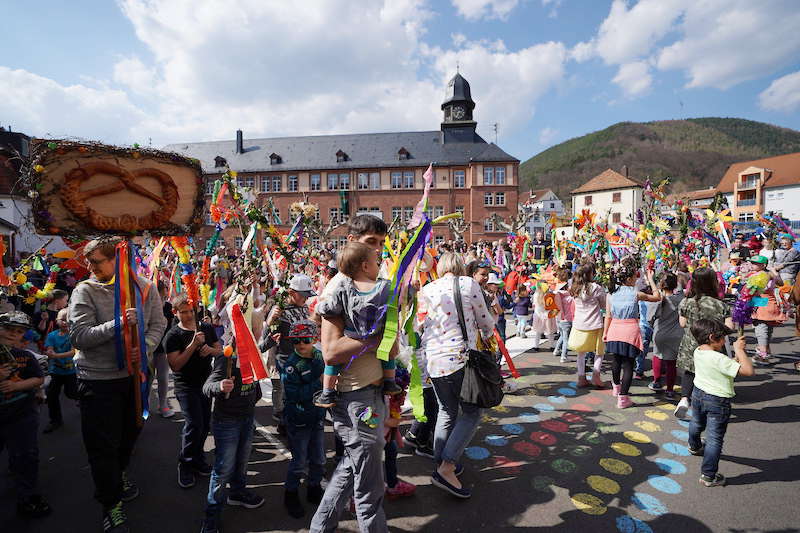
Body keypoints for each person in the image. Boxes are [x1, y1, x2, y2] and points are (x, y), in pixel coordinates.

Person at [69, 237, 166, 533]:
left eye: (96, 261)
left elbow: (158, 325)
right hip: (97, 380)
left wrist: (144, 347)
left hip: (133, 378)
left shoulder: (145, 288)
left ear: (117, 260)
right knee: (102, 446)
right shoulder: (84, 290)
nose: (90, 267)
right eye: (89, 261)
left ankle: (118, 472)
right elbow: (79, 337)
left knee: (131, 432)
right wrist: (119, 323)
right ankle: (110, 504)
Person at [310, 214, 391, 533]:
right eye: (371, 243)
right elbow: (330, 351)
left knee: (352, 466)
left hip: (373, 393)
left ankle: (320, 528)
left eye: (381, 244)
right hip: (355, 398)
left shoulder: (372, 282)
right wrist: (374, 339)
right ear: (352, 242)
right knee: (370, 486)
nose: (378, 251)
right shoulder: (339, 286)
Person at [417, 253, 495, 498]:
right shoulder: (467, 284)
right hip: (459, 357)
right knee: (472, 412)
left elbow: (420, 325)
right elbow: (486, 321)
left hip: (433, 359)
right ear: (461, 267)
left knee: (446, 411)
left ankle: (440, 461)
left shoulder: (427, 289)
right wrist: (488, 331)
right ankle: (447, 466)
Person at [314, 243, 400, 409]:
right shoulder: (384, 287)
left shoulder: (343, 288)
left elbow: (331, 308)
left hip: (352, 334)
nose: (379, 267)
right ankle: (390, 382)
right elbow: (400, 299)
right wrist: (411, 291)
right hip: (377, 333)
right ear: (365, 266)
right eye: (377, 263)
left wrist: (318, 307)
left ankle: (327, 392)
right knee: (388, 355)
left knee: (332, 365)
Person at [199, 321, 265, 533]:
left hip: (247, 419)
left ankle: (237, 493)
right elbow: (206, 387)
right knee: (222, 468)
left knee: (242, 461)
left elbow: (256, 391)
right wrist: (219, 386)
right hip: (226, 422)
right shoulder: (226, 358)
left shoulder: (253, 358)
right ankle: (212, 514)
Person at [165, 293, 222, 489]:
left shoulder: (205, 327)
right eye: (184, 312)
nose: (189, 315)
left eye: (191, 311)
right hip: (186, 386)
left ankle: (198, 459)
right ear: (175, 313)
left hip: (206, 383)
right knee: (194, 424)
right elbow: (176, 365)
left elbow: (220, 349)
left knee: (205, 424)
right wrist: (193, 345)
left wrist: (209, 350)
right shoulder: (173, 336)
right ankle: (186, 463)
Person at [687, 319, 754, 487]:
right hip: (717, 400)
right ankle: (708, 475)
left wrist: (737, 357)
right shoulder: (719, 358)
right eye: (723, 337)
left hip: (698, 393)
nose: (725, 341)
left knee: (696, 422)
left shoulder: (698, 351)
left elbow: (730, 368)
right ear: (711, 337)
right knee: (714, 439)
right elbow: (748, 371)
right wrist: (740, 351)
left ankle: (694, 446)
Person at [0, 311, 51, 517]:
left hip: (22, 414)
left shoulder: (25, 356)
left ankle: (28, 497)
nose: (13, 335)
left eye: (19, 332)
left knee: (26, 455)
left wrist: (18, 384)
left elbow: (38, 379)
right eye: (8, 329)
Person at [280, 321, 326, 519]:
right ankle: (290, 494)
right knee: (298, 462)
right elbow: (294, 395)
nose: (300, 344)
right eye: (296, 341)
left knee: (319, 459)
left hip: (317, 417)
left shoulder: (319, 356)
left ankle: (313, 488)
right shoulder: (290, 365)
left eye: (305, 340)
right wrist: (319, 383)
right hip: (298, 420)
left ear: (314, 339)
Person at [675, 267, 732, 420]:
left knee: (689, 372)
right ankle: (705, 405)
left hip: (691, 344)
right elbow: (729, 327)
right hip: (712, 345)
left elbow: (682, 323)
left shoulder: (686, 302)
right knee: (709, 375)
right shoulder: (721, 305)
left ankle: (684, 399)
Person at [604, 261, 661, 408]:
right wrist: (651, 281)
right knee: (629, 365)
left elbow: (608, 316)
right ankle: (623, 398)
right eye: (635, 276)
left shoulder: (611, 293)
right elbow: (657, 297)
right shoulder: (636, 294)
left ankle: (616, 388)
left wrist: (605, 333)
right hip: (630, 330)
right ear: (629, 279)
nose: (637, 278)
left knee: (616, 361)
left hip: (614, 329)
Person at [265, 273, 315, 434]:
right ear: (292, 292)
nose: (306, 299)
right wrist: (270, 321)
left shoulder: (305, 307)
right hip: (285, 359)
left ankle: (290, 423)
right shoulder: (280, 309)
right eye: (304, 295)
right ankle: (286, 423)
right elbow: (266, 336)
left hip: (303, 357)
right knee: (288, 393)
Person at [567, 263, 607, 388]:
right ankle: (596, 376)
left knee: (581, 352)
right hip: (595, 323)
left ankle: (581, 377)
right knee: (599, 352)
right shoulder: (595, 288)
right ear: (590, 274)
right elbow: (604, 305)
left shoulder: (573, 287)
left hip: (579, 324)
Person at [649, 274, 684, 399]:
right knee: (671, 363)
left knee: (657, 356)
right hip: (676, 334)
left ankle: (656, 382)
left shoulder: (658, 299)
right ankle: (669, 390)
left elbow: (649, 318)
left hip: (660, 333)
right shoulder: (681, 299)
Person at [43, 308, 78, 433]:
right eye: (62, 320)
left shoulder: (74, 334)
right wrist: (50, 352)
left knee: (71, 393)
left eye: (68, 320)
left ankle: (83, 399)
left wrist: (56, 356)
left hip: (71, 372)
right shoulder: (52, 335)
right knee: (52, 395)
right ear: (56, 320)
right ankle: (55, 420)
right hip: (55, 371)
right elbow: (49, 347)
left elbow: (74, 351)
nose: (65, 322)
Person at [748, 255, 785, 364]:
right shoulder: (766, 274)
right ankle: (766, 350)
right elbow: (780, 283)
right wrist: (774, 272)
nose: (752, 265)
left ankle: (763, 354)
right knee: (767, 328)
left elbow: (756, 290)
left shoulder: (762, 275)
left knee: (761, 328)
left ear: (763, 265)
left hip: (763, 302)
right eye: (752, 262)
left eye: (755, 263)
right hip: (769, 302)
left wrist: (773, 273)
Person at [152, 280, 174, 418]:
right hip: (148, 347)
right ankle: (144, 405)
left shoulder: (168, 307)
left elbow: (170, 328)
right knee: (147, 378)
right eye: (160, 297)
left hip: (162, 347)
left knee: (163, 377)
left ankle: (163, 404)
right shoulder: (146, 306)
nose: (163, 300)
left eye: (164, 297)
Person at [552, 268, 574, 363]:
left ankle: (556, 350)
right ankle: (564, 357)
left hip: (558, 318)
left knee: (562, 335)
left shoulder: (557, 294)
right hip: (567, 319)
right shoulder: (569, 297)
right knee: (566, 339)